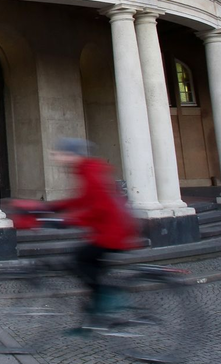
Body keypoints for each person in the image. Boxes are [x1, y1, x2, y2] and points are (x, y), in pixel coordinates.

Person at [44, 136, 140, 331]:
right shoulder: (87, 169)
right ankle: (95, 314)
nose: (56, 157)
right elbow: (82, 200)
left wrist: (68, 220)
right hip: (108, 230)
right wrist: (53, 207)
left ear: (71, 155)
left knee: (80, 260)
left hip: (112, 233)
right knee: (89, 266)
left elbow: (99, 207)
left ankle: (107, 299)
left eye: (60, 153)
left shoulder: (90, 171)